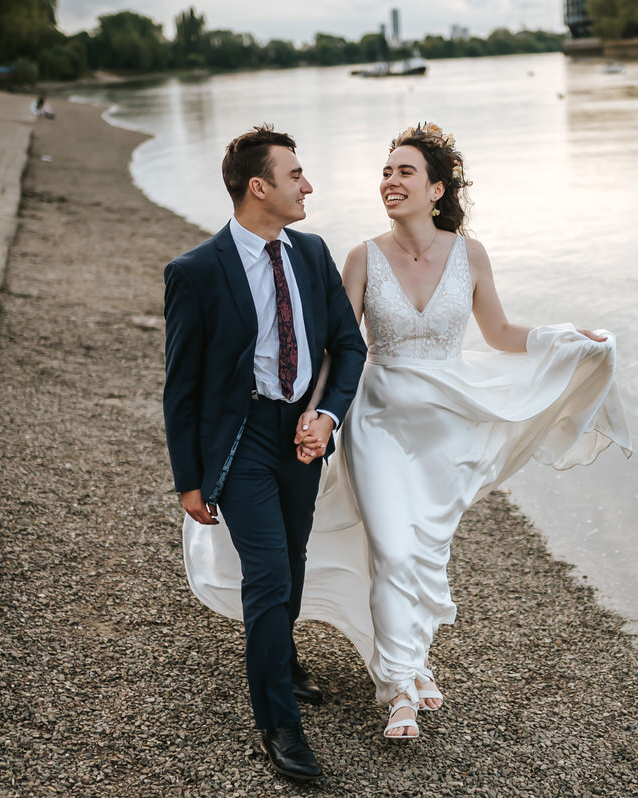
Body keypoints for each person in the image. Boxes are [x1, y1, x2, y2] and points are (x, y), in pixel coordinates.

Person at [182, 122, 631, 742]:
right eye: (386, 172)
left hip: (447, 424)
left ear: (437, 189)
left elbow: (499, 334)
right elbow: (332, 349)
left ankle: (412, 665)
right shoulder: (360, 256)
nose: (390, 182)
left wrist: (564, 338)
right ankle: (397, 689)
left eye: (404, 172)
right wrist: (319, 415)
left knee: (422, 554)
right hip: (378, 423)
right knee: (392, 548)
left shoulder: (469, 255)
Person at [163, 125, 366, 780]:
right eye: (296, 175)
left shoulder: (310, 253)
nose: (309, 185)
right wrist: (188, 479)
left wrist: (327, 415)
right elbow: (181, 387)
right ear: (260, 187)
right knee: (270, 572)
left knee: (297, 555)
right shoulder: (195, 273)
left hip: (301, 434)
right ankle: (278, 724)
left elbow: (349, 346)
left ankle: (281, 659)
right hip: (242, 436)